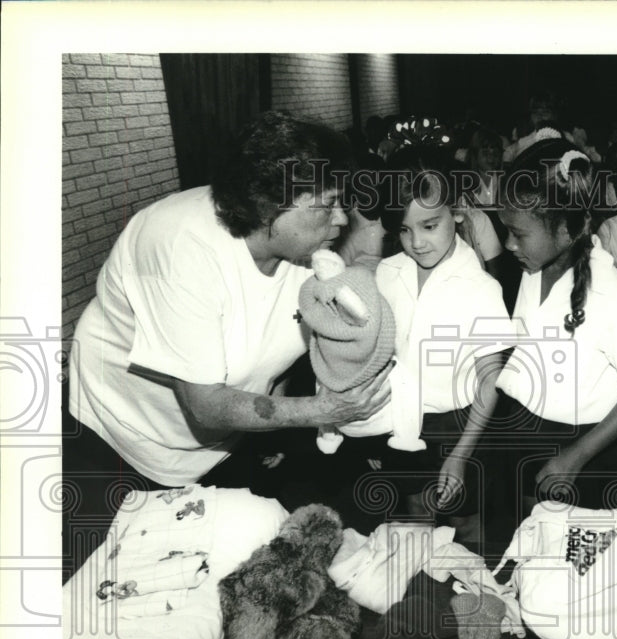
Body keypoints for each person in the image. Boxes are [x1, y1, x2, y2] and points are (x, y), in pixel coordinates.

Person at [68, 111, 390, 495]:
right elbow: (204, 404)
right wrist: (319, 412)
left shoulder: (306, 249)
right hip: (126, 437)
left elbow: (282, 338)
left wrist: (274, 424)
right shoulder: (180, 247)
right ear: (269, 205)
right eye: (328, 205)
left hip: (225, 436)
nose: (341, 218)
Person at [496, 139, 617, 512]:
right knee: (532, 539)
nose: (508, 244)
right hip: (526, 428)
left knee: (582, 560)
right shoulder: (531, 270)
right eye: (505, 230)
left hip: (586, 448)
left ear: (570, 228)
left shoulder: (616, 296)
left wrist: (576, 455)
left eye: (519, 234)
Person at [373, 142, 513, 547]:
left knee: (465, 524)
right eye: (403, 228)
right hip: (402, 421)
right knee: (417, 514)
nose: (415, 242)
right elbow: (378, 356)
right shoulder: (387, 271)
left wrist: (460, 455)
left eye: (429, 225)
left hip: (461, 427)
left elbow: (491, 384)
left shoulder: (480, 288)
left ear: (457, 213)